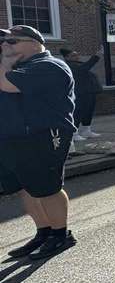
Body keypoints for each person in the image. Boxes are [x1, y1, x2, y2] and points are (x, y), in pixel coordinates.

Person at [0, 25, 78, 259]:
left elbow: (7, 85)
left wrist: (4, 60)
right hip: (12, 137)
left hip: (44, 135)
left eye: (12, 42)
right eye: (5, 41)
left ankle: (61, 235)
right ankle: (44, 232)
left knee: (47, 188)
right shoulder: (17, 66)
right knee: (26, 187)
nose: (5, 45)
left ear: (34, 43)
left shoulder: (48, 65)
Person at [61, 47, 103, 139]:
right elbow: (84, 68)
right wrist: (96, 57)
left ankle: (86, 130)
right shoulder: (69, 65)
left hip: (89, 92)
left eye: (77, 54)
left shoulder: (77, 64)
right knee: (78, 112)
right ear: (67, 57)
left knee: (88, 112)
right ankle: (74, 133)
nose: (77, 57)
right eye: (73, 55)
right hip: (80, 92)